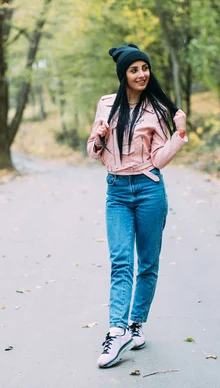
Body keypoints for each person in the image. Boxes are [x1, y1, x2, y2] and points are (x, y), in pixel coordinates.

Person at [87, 44, 188, 368]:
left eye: (144, 68)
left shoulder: (156, 109)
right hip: (116, 191)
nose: (142, 74)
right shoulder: (106, 105)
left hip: (149, 190)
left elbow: (158, 159)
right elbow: (93, 152)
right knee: (120, 262)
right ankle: (116, 331)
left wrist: (179, 135)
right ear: (124, 75)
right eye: (134, 69)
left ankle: (136, 325)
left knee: (147, 262)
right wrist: (100, 135)